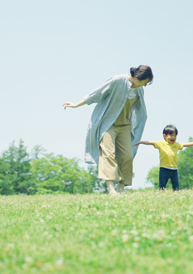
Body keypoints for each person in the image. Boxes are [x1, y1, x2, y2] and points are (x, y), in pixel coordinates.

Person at [62, 65, 153, 196]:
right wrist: (77, 104)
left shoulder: (139, 91)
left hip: (125, 126)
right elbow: (97, 93)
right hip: (108, 124)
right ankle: (112, 190)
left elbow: (141, 111)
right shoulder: (117, 80)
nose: (145, 86)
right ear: (140, 77)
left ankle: (121, 190)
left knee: (127, 156)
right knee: (108, 154)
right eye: (145, 82)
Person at [135, 125, 193, 191]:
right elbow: (151, 142)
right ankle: (161, 195)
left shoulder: (176, 145)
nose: (173, 137)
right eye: (171, 135)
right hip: (164, 169)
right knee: (162, 186)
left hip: (174, 169)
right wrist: (141, 142)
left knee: (176, 186)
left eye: (175, 135)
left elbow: (186, 144)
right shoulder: (161, 143)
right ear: (165, 136)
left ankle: (177, 195)